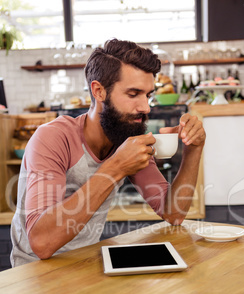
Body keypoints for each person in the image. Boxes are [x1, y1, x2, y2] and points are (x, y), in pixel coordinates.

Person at [10, 38, 206, 267]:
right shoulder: (53, 138)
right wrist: (116, 167)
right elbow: (41, 243)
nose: (145, 107)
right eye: (133, 94)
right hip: (33, 274)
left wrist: (193, 148)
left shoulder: (126, 136)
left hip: (85, 264)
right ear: (99, 91)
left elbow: (173, 213)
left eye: (148, 95)